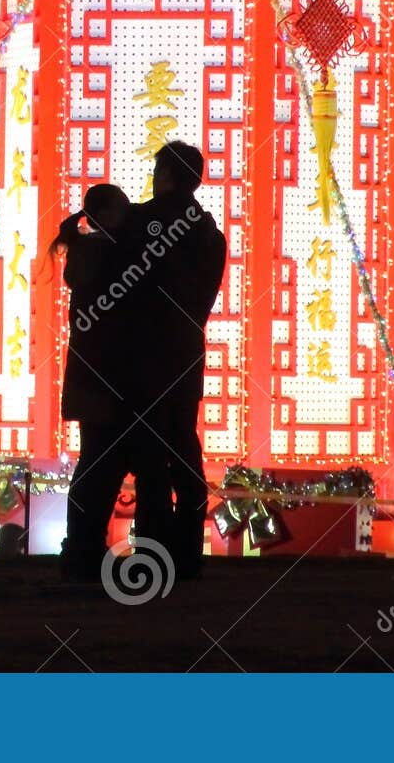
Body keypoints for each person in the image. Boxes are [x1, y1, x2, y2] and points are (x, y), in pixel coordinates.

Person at [128, 141, 227, 578]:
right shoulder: (210, 233)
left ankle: (152, 550)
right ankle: (187, 548)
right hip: (187, 349)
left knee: (149, 451)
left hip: (144, 351)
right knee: (184, 442)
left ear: (167, 173)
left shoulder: (143, 221)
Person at [53, 183, 138, 580]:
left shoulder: (87, 253)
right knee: (103, 464)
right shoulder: (106, 256)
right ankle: (85, 545)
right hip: (108, 375)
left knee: (95, 462)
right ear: (108, 215)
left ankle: (82, 544)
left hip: (91, 375)